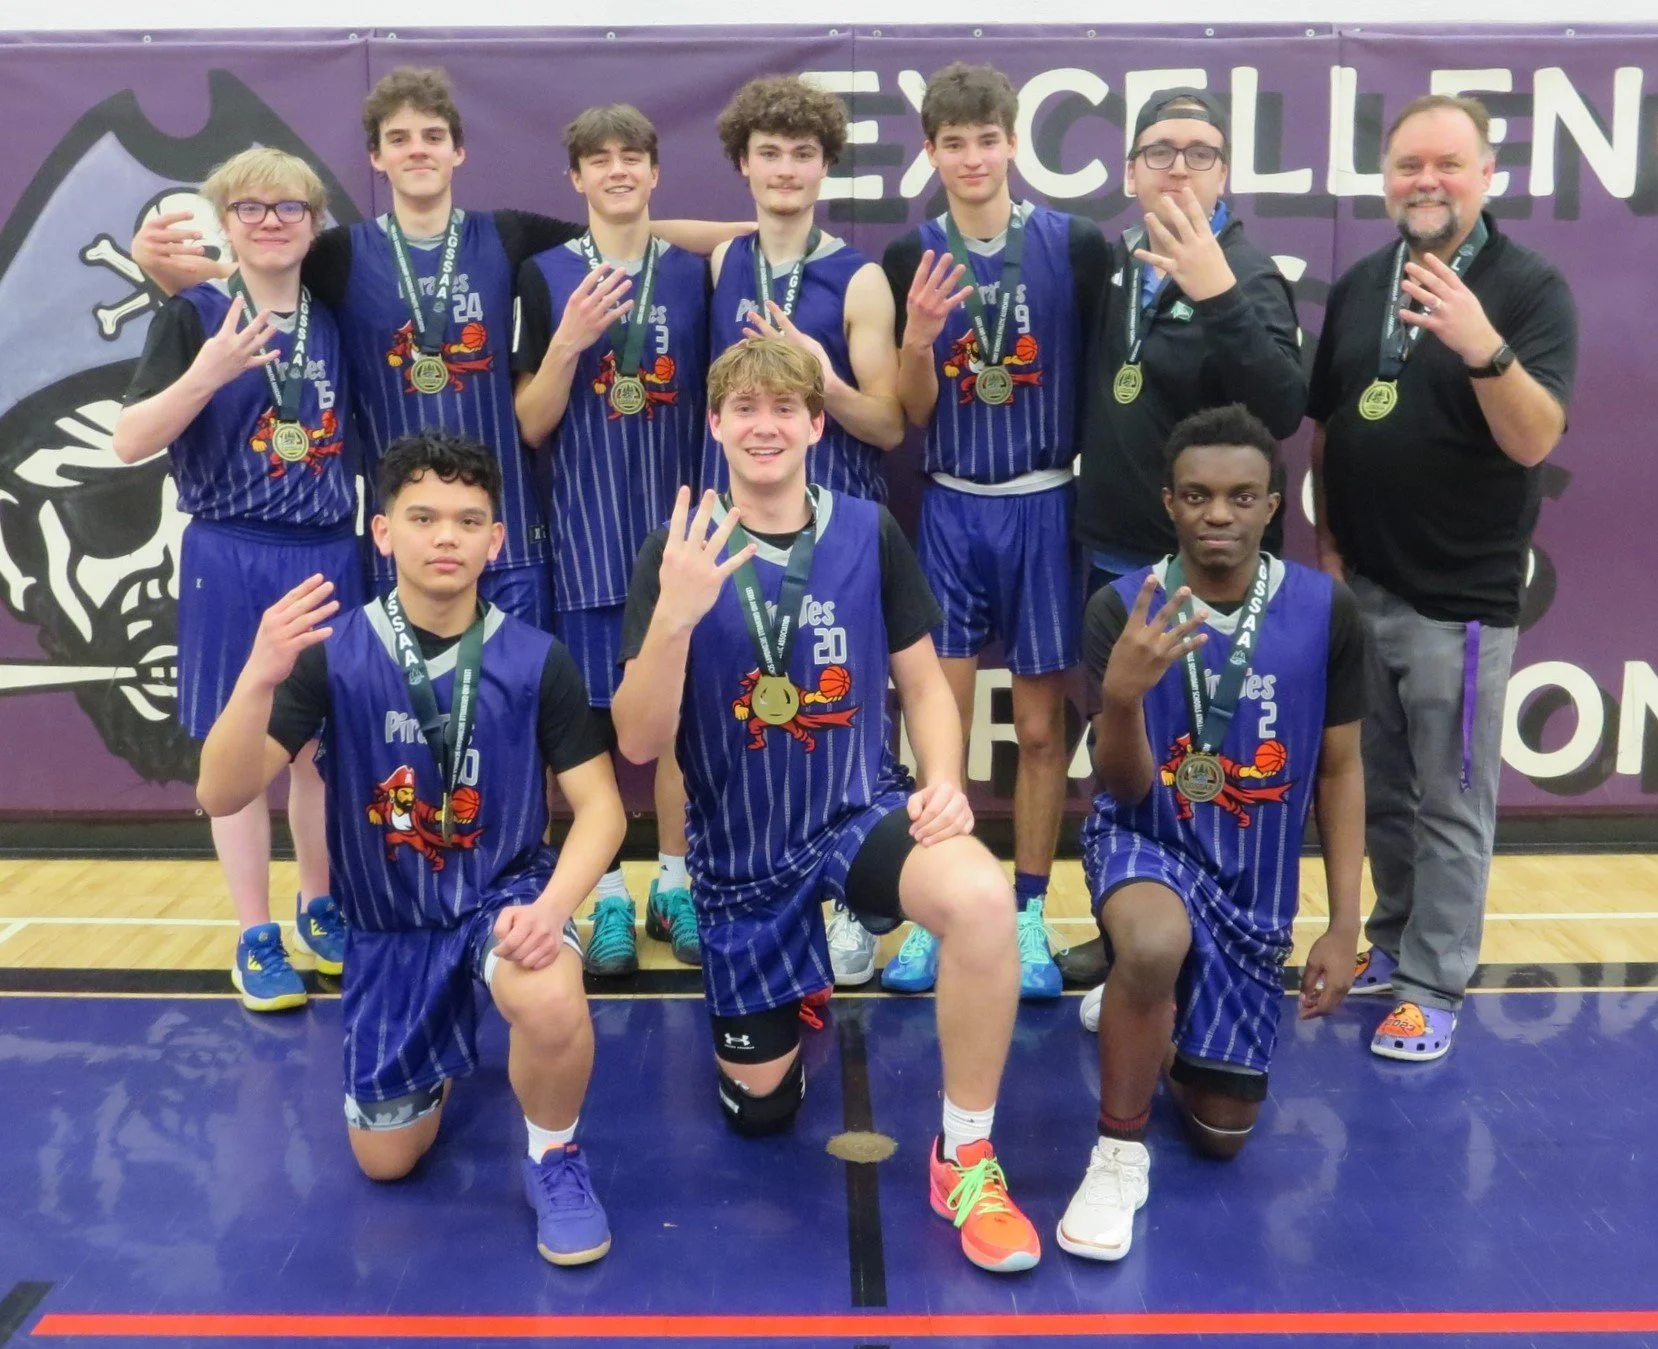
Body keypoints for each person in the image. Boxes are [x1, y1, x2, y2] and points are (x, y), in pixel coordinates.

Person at [611, 337, 1041, 1275]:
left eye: (784, 408)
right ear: (715, 424)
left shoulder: (868, 530)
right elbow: (639, 743)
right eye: (744, 408)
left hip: (854, 814)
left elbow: (924, 684)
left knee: (980, 897)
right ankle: (796, 982)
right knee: (761, 1113)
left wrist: (942, 779)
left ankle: (965, 1153)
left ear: (816, 424)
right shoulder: (676, 551)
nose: (764, 426)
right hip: (740, 851)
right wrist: (675, 616)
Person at [195, 430, 626, 1267]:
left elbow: (602, 810)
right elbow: (221, 791)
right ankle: (437, 1048)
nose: (446, 537)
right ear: (383, 532)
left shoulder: (537, 659)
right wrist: (256, 675)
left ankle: (554, 1156)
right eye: (423, 517)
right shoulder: (333, 657)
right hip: (390, 923)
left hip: (501, 894)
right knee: (387, 1162)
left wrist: (552, 908)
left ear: (496, 540)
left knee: (549, 992)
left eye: (468, 520)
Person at [131, 65, 743, 629]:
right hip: (401, 542)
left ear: (458, 150)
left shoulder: (506, 236)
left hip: (507, 538)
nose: (418, 149)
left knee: (514, 697)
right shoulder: (342, 256)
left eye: (432, 136)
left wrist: (755, 237)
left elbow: (624, 232)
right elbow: (260, 271)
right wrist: (154, 266)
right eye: (399, 139)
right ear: (376, 157)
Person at [1061, 404, 1367, 1262]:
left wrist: (1344, 925)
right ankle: (1116, 1153)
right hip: (1147, 840)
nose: (1218, 513)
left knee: (1221, 1130)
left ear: (1273, 505)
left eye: (1241, 496)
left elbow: (1342, 771)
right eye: (1197, 495)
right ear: (1170, 502)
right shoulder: (1122, 606)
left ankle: (1152, 1008)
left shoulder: (1326, 610)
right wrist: (1122, 696)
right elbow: (1124, 785)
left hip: (1253, 882)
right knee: (1153, 941)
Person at [1308, 94, 1577, 1062]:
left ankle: (1432, 983)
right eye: (1408, 165)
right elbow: (1330, 425)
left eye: (1447, 164)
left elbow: (1534, 438)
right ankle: (1392, 940)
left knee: (1450, 799)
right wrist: (1329, 548)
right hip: (1364, 585)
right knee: (1381, 789)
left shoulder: (1528, 289)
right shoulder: (1361, 283)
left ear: (1486, 176)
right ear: (1385, 179)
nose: (1426, 181)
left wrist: (1482, 345)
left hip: (1459, 600)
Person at [880, 62, 1110, 1000]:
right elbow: (913, 409)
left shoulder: (1075, 245)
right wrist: (917, 337)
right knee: (942, 729)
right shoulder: (911, 253)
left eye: (987, 139)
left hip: (1047, 502)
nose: (972, 157)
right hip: (950, 504)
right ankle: (939, 910)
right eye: (954, 143)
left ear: (1014, 143)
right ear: (930, 152)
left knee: (1044, 726)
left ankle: (1027, 911)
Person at [112, 147, 359, 1012]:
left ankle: (320, 905)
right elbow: (129, 439)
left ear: (314, 222)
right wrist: (206, 375)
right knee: (239, 748)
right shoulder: (194, 316)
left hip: (328, 549)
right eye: (249, 208)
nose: (270, 221)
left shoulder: (335, 315)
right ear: (226, 222)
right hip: (231, 550)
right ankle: (255, 933)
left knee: (324, 752)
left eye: (288, 207)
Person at [709, 73, 906, 987]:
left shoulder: (857, 277)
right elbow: (670, 234)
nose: (785, 169)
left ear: (825, 166)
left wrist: (825, 380)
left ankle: (855, 904)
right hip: (743, 525)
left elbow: (890, 423)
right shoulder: (723, 259)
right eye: (769, 153)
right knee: (747, 713)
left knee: (847, 712)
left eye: (802, 154)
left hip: (835, 528)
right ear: (744, 164)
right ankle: (749, 891)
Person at [512, 105, 710, 977]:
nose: (618, 170)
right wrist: (568, 345)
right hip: (585, 534)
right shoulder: (544, 274)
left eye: (633, 156)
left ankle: (675, 882)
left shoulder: (698, 272)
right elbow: (529, 422)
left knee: (682, 725)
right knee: (586, 730)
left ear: (656, 172)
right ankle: (607, 896)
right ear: (576, 177)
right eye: (600, 159)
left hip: (678, 538)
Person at [1077, 85, 1306, 593]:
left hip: (1214, 566)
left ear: (1222, 176)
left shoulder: (1249, 274)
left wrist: (1220, 297)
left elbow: (1285, 411)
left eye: (1200, 154)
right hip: (1114, 556)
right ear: (1131, 174)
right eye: (1160, 152)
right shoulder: (1115, 261)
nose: (1179, 168)